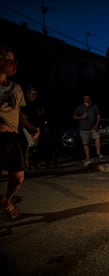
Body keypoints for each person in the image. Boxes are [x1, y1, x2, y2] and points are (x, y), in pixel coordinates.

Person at [0, 45, 39, 225]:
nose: (13, 64)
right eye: (9, 59)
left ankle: (6, 202)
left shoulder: (16, 88)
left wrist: (30, 128)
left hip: (12, 138)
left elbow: (18, 113)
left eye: (13, 60)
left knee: (18, 177)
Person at [73, 95, 103, 165]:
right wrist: (81, 117)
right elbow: (74, 117)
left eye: (87, 98)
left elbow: (98, 117)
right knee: (85, 143)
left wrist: (96, 125)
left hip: (93, 127)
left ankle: (98, 153)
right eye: (84, 98)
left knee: (97, 137)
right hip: (83, 128)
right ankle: (88, 157)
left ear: (90, 99)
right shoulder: (79, 107)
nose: (86, 99)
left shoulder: (94, 106)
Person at [21, 86, 45, 168]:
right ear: (28, 94)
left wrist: (41, 113)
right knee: (31, 144)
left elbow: (41, 113)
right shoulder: (24, 103)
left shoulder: (38, 103)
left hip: (36, 126)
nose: (34, 96)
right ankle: (26, 161)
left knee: (36, 145)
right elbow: (23, 116)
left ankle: (35, 161)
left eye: (36, 94)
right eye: (33, 94)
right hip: (28, 127)